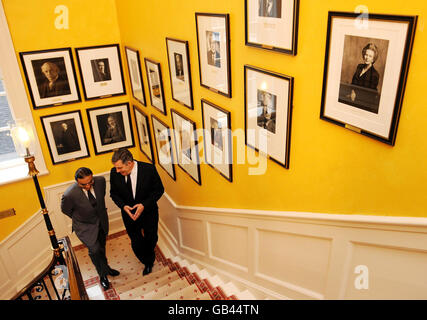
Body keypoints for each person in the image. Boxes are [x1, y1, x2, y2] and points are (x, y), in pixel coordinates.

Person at [61, 167, 120, 290]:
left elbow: (101, 198)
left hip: (101, 221)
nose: (88, 186)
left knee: (101, 247)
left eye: (90, 182)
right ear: (77, 182)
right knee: (94, 250)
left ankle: (106, 268)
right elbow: (66, 210)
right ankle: (102, 275)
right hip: (84, 226)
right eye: (84, 184)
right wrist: (81, 217)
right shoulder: (69, 194)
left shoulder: (100, 181)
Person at [110, 148, 164, 276]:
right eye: (116, 168)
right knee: (136, 241)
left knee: (151, 238)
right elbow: (113, 194)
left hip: (148, 212)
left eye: (120, 168)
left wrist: (144, 205)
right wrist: (123, 206)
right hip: (128, 214)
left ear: (129, 163)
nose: (117, 171)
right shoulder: (114, 172)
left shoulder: (149, 169)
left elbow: (159, 190)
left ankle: (150, 259)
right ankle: (147, 261)